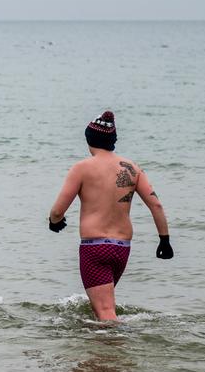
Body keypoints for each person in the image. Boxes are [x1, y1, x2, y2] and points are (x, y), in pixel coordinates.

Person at [48, 111, 174, 321]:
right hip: (121, 249)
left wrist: (55, 223)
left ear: (88, 138)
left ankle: (116, 351)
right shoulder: (133, 168)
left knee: (105, 312)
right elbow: (156, 205)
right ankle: (100, 352)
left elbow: (58, 211)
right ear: (113, 141)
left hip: (94, 248)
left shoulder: (82, 168)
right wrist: (165, 240)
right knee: (102, 308)